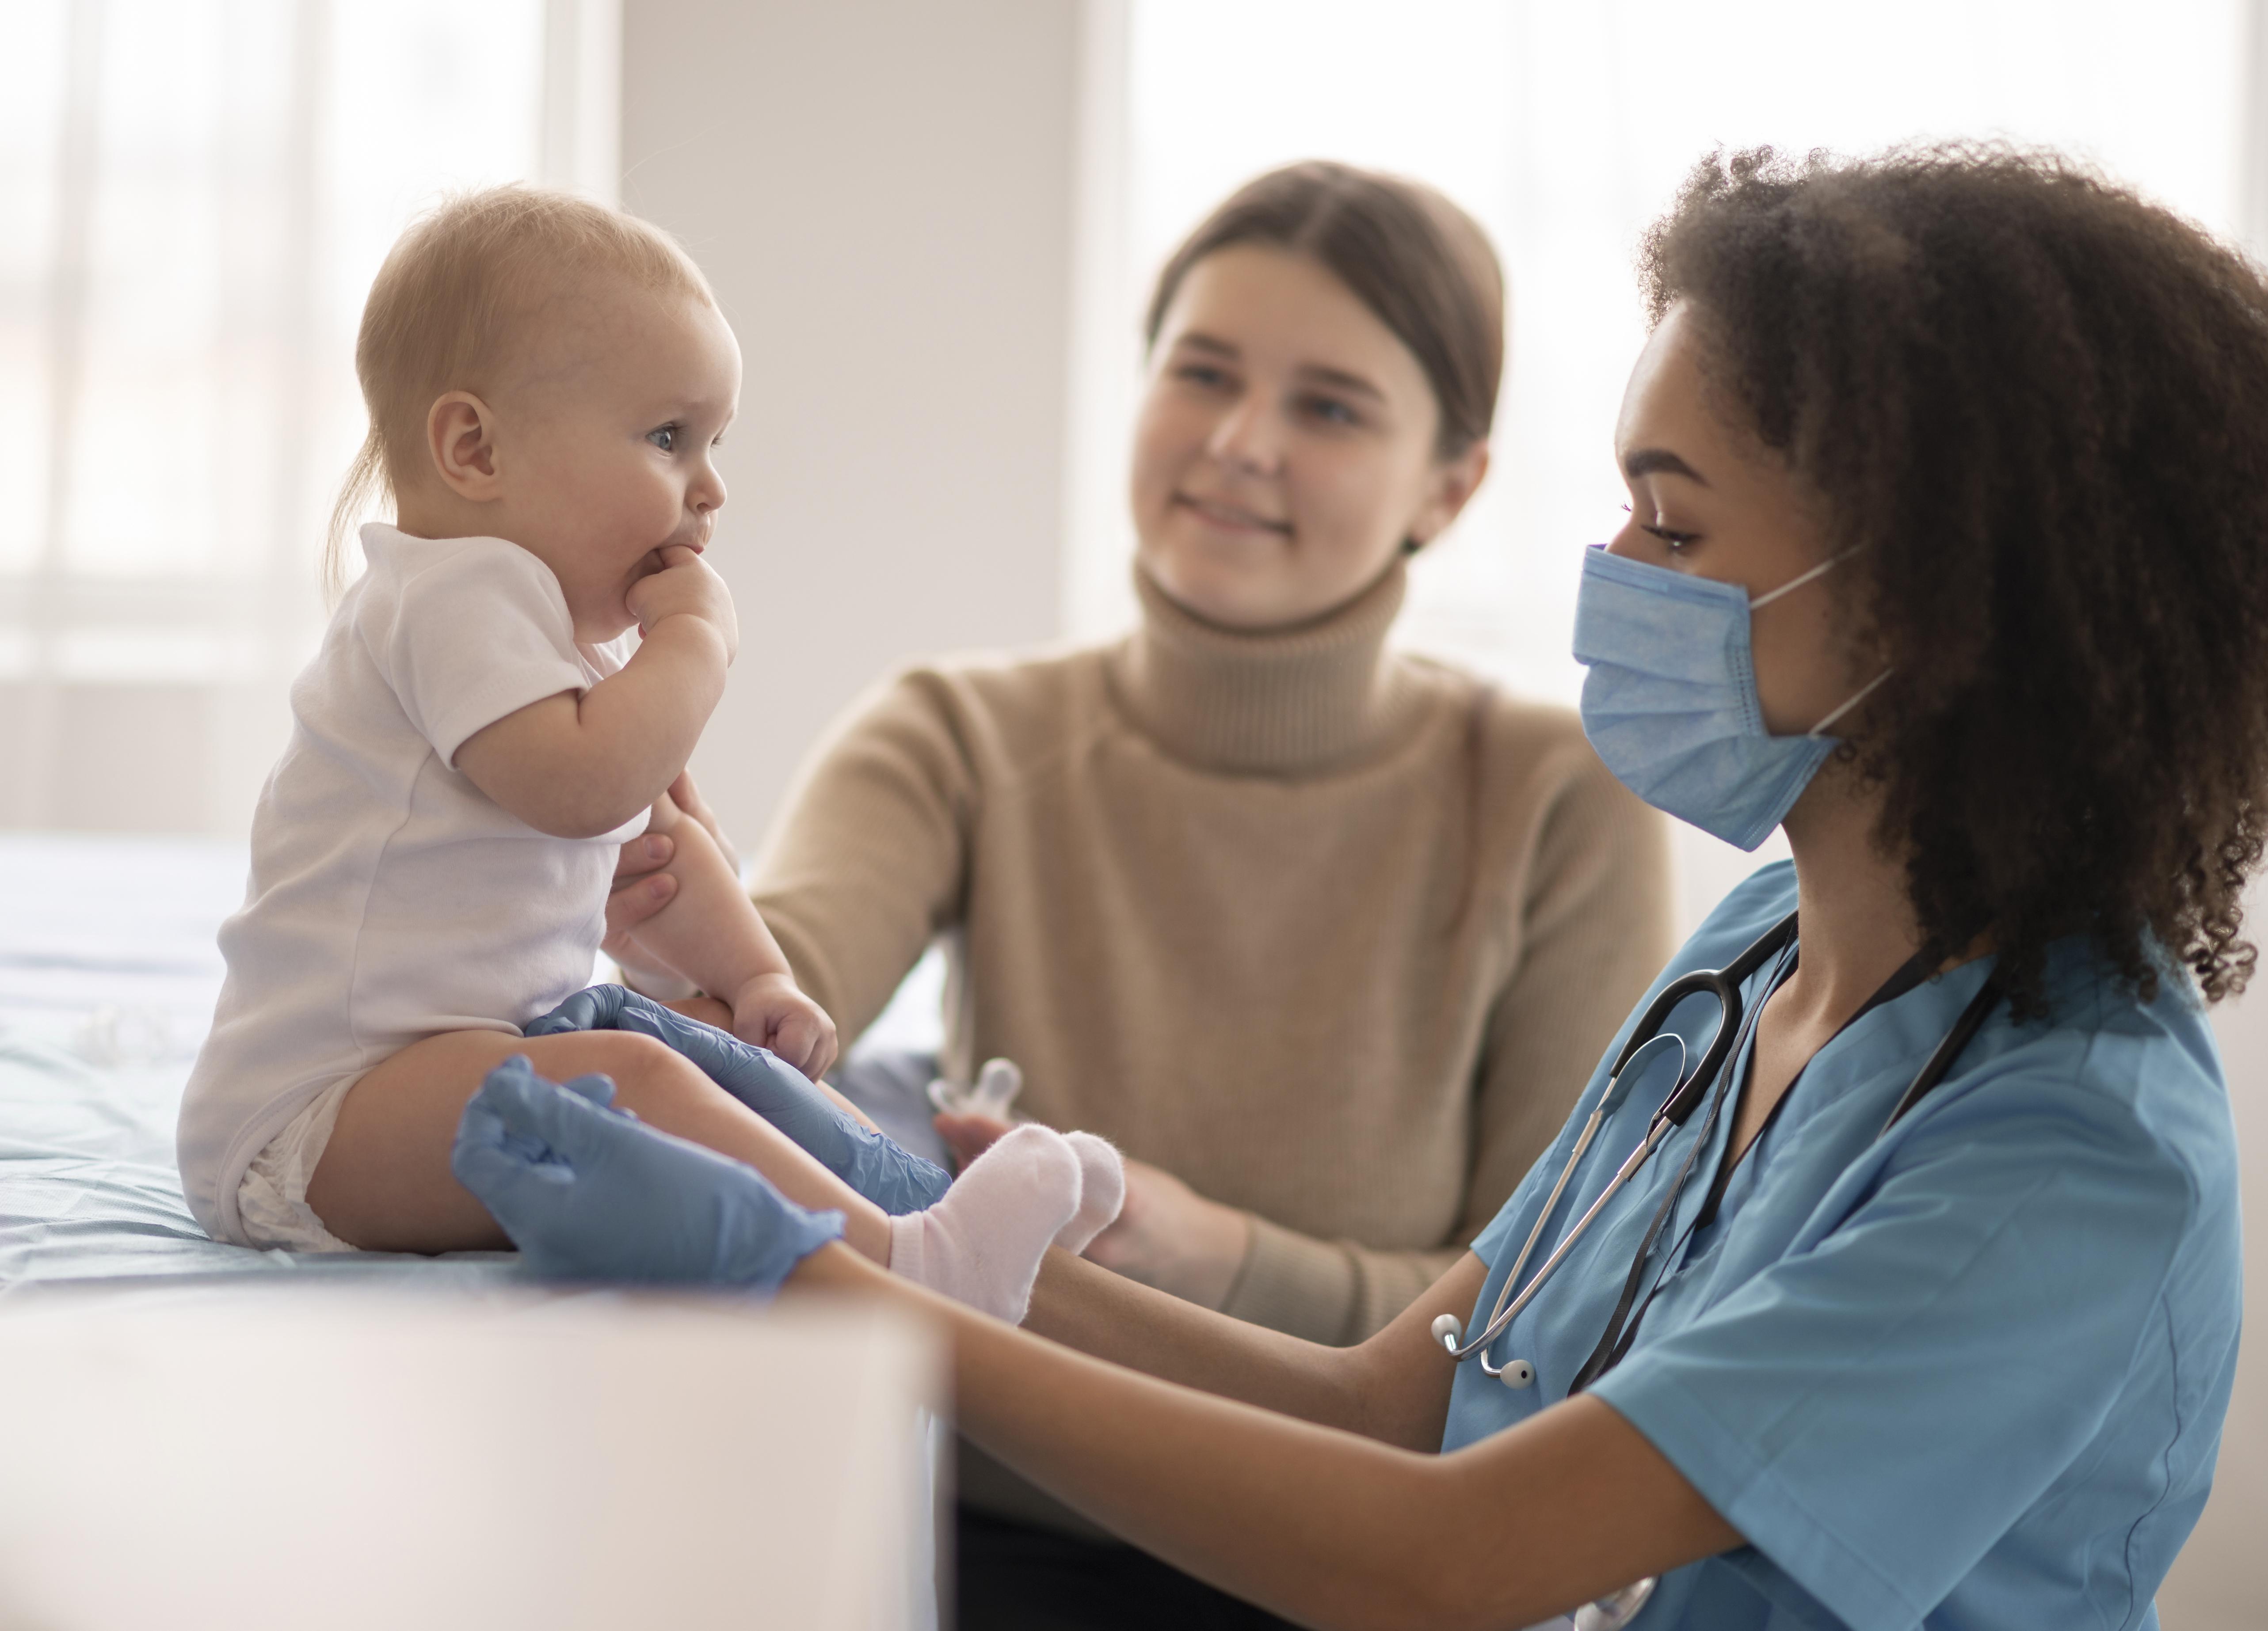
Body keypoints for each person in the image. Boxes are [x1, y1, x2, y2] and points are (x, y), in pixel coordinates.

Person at [464, 144, 2268, 1629]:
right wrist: (876, 1194)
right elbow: (1405, 1392)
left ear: (1926, 598)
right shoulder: (1764, 957)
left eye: (1672, 517)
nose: (1614, 565)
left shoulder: (2065, 1153)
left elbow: (1447, 1553)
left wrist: (822, 1285)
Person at [598, 162, 1677, 1612]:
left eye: (1329, 407)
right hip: (983, 1534)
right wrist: (672, 914)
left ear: (1452, 483)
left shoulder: (1559, 799)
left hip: (1348, 1566)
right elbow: (764, 1001)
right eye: (1203, 373)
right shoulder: (960, 731)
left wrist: (1209, 1249)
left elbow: (1538, 1327)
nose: (1239, 443)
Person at [177, 186, 1114, 1329]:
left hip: (463, 1067)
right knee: (643, 1080)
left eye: (714, 443)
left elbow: (656, 843)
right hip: (316, 1125)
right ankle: (915, 1262)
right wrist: (697, 646)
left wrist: (757, 974)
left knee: (704, 1058)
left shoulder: (557, 649)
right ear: (474, 448)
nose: (710, 487)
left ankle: (934, 1208)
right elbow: (587, 793)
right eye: (669, 439)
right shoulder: (443, 598)